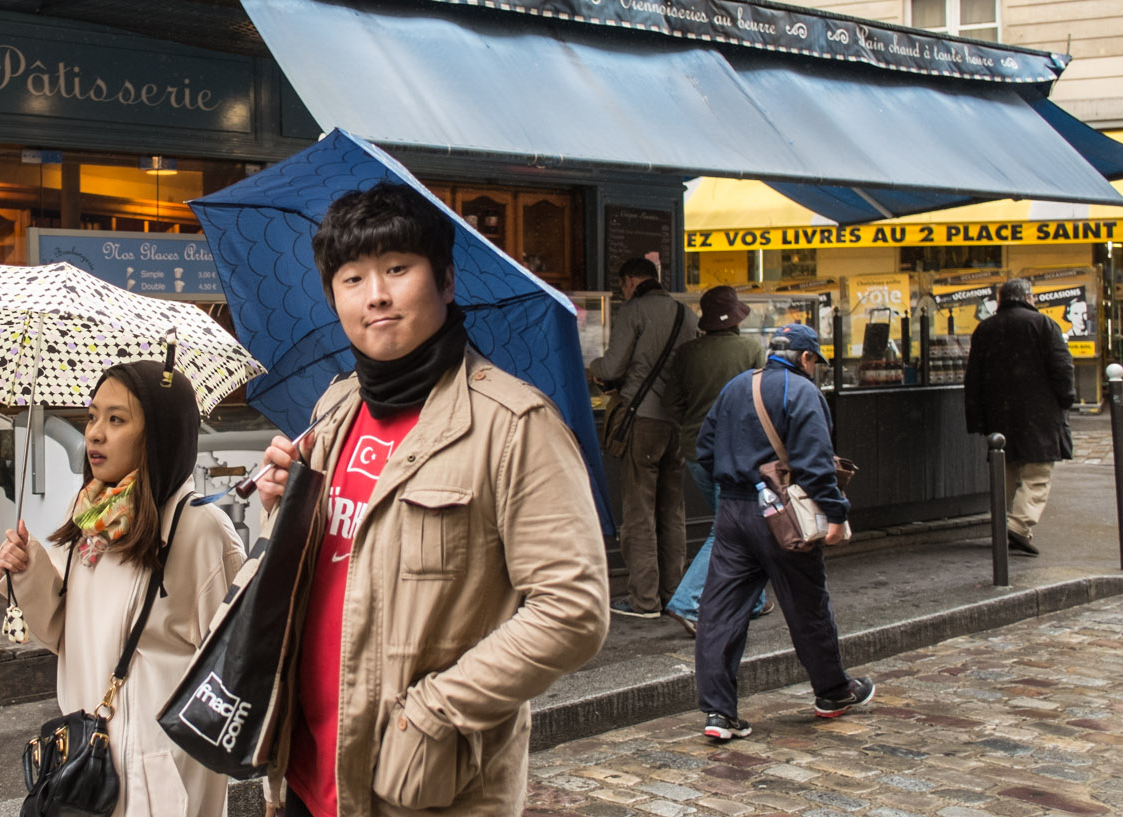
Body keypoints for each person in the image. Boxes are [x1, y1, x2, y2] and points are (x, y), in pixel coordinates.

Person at [254, 183, 609, 816]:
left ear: (445, 281)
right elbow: (336, 567)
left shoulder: (513, 425)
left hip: (417, 784)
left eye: (397, 269)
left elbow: (572, 610)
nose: (377, 295)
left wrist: (431, 713)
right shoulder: (334, 410)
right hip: (305, 771)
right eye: (353, 278)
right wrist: (285, 505)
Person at [0, 360, 246, 817]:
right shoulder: (89, 512)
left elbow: (235, 667)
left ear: (159, 434)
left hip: (163, 772)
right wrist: (28, 570)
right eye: (91, 416)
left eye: (116, 419)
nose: (93, 433)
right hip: (86, 763)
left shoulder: (200, 529)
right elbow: (66, 634)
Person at [693, 324, 873, 741]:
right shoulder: (803, 392)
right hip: (781, 513)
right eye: (816, 362)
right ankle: (832, 692)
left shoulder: (737, 386)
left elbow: (704, 450)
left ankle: (718, 713)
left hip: (734, 510)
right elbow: (816, 464)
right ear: (806, 358)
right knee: (806, 604)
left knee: (720, 612)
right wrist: (836, 513)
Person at [590, 257, 698, 619]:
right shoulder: (687, 315)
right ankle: (674, 594)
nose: (623, 292)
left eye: (622, 286)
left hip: (643, 420)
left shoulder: (633, 311)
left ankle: (644, 600)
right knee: (672, 510)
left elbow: (613, 366)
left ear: (632, 281)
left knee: (639, 511)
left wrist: (593, 368)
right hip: (676, 424)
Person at [663, 286, 768, 637]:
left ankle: (754, 599)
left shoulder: (687, 353)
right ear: (737, 317)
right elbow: (764, 401)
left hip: (695, 450)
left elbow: (671, 402)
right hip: (738, 454)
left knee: (740, 524)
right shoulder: (752, 350)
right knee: (727, 529)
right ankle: (687, 602)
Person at [965, 279, 1076, 557]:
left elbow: (973, 377)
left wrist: (977, 416)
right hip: (1039, 411)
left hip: (998, 412)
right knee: (1037, 472)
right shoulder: (1044, 325)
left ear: (1001, 300)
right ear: (1028, 296)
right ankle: (1018, 525)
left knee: (1007, 470)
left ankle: (1004, 524)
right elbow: (1062, 368)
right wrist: (1066, 398)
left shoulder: (985, 328)